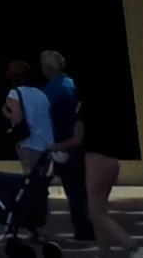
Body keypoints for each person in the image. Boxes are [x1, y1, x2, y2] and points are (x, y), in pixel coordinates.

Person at [35, 49, 89, 243]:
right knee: (77, 191)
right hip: (73, 144)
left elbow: (43, 117)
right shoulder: (71, 85)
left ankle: (33, 226)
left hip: (55, 145)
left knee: (37, 187)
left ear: (48, 68)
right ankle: (83, 228)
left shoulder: (51, 90)